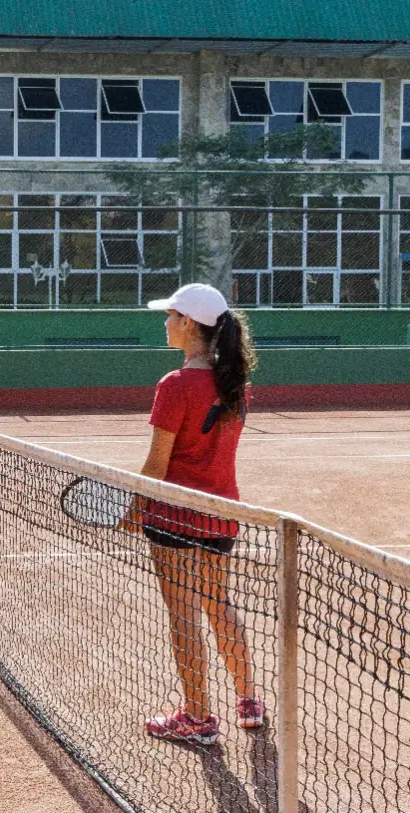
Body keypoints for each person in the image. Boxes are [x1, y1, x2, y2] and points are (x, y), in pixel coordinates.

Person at [124, 282, 264, 746]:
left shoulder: (175, 385)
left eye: (170, 316)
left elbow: (156, 465)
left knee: (183, 614)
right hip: (221, 513)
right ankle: (248, 698)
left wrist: (132, 510)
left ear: (188, 323)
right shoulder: (236, 384)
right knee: (218, 603)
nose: (165, 323)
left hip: (174, 519)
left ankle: (198, 717)